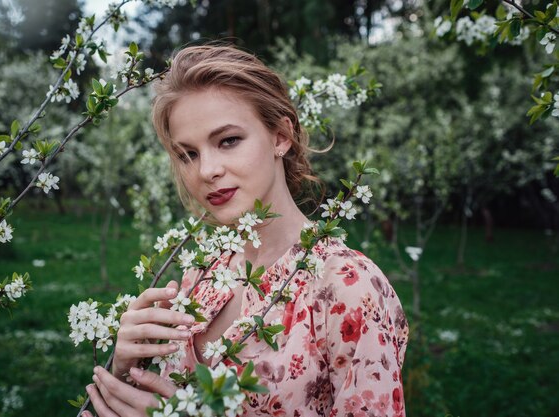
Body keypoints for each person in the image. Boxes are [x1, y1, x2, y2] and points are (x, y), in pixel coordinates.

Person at [83, 44, 408, 417]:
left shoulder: (348, 287)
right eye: (188, 154)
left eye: (228, 141)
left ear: (280, 136)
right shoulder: (203, 272)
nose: (206, 170)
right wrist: (124, 370)